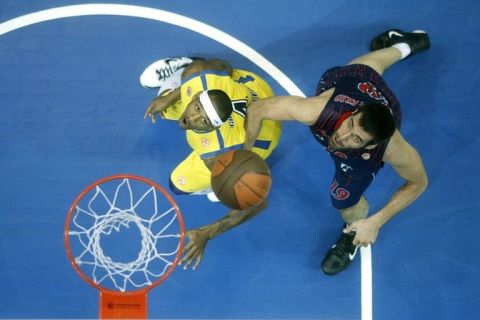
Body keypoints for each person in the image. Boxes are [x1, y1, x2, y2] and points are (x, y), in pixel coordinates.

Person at [244, 29, 429, 275]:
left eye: (356, 138)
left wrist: (375, 221)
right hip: (355, 83)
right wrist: (245, 154)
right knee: (370, 65)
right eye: (350, 124)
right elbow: (257, 109)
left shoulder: (389, 149)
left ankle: (351, 232)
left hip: (374, 130)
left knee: (344, 201)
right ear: (353, 112)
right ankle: (408, 45)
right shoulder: (317, 110)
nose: (342, 135)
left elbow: (418, 183)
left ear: (370, 145)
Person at [142, 57, 282, 270]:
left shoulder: (219, 156)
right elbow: (225, 66)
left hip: (263, 138)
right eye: (196, 108)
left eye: (204, 122)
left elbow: (257, 203)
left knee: (177, 185)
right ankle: (173, 77)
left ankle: (215, 184)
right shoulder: (201, 76)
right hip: (256, 88)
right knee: (163, 105)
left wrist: (207, 233)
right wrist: (171, 95)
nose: (193, 118)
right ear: (198, 94)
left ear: (213, 128)